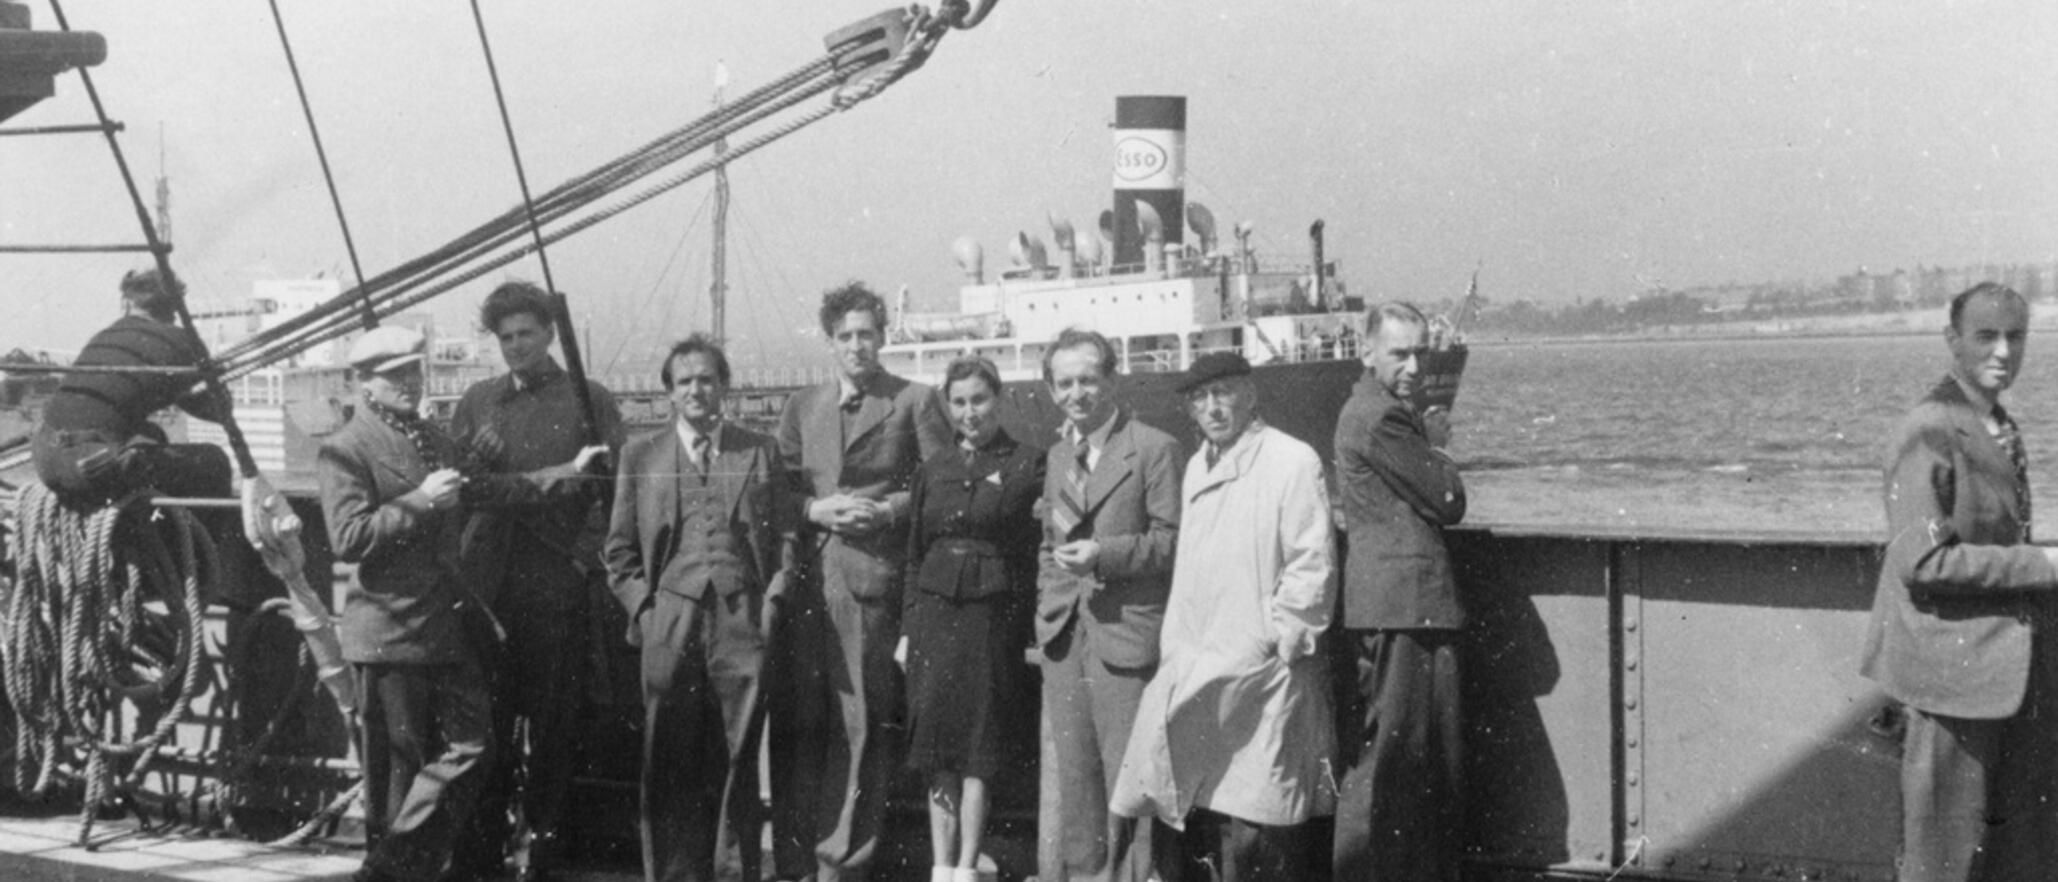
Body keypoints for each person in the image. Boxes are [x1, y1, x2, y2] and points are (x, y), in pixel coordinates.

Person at [318, 325, 603, 882]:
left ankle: (388, 867)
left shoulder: (429, 438)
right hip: (391, 631)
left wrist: (569, 472)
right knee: (397, 777)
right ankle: (398, 866)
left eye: (413, 371)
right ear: (364, 384)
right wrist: (420, 502)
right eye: (394, 374)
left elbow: (491, 488)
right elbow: (347, 538)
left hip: (445, 628)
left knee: (475, 747)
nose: (409, 382)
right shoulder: (346, 448)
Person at [1111, 352, 1337, 882]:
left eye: (1224, 393)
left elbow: (1312, 560)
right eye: (1200, 398)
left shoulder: (1292, 459)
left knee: (1258, 818)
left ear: (1250, 394)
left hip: (1259, 668)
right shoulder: (1196, 466)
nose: (1213, 408)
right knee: (1193, 805)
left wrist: (1283, 639)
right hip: (1197, 659)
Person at [1861, 282, 2058, 881]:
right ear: (1953, 341)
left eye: (2016, 336)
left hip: (1998, 675)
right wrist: (2043, 564)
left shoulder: (1995, 424)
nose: (2003, 351)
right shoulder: (1929, 429)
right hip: (1951, 682)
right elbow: (1921, 562)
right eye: (1986, 336)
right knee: (1941, 863)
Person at [770, 282, 952, 882]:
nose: (857, 346)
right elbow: (776, 491)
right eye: (845, 336)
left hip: (872, 584)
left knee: (862, 723)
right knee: (802, 721)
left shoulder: (915, 401)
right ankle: (796, 857)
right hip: (806, 586)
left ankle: (845, 863)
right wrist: (814, 511)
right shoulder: (802, 406)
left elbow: (943, 485)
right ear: (829, 342)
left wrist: (890, 511)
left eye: (866, 334)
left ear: (883, 336)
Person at [449, 282, 624, 882]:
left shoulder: (589, 398)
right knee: (488, 730)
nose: (517, 345)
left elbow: (612, 495)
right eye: (506, 337)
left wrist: (582, 561)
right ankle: (482, 851)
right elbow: (459, 488)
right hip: (488, 590)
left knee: (553, 733)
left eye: (527, 333)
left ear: (550, 333)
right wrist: (486, 465)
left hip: (556, 588)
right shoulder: (477, 402)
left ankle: (539, 853)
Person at [604, 335, 796, 882]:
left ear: (725, 386)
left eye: (707, 378)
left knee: (739, 753)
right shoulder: (640, 455)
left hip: (742, 620)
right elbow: (617, 550)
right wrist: (645, 610)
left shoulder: (757, 448)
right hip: (670, 619)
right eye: (684, 380)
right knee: (668, 756)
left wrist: (774, 599)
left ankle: (735, 872)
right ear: (668, 392)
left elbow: (786, 534)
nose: (696, 389)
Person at [1034, 328, 1181, 882]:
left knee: (1133, 782)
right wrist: (1048, 607)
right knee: (1077, 784)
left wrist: (1104, 555)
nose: (1078, 393)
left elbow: (1172, 541)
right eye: (1065, 383)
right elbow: (1048, 545)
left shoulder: (1153, 448)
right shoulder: (1057, 457)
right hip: (1066, 637)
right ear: (1052, 390)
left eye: (1089, 380)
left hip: (1125, 636)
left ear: (1113, 380)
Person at [1331, 301, 1468, 882]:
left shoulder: (1369, 409)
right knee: (1395, 762)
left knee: (1398, 759)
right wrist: (1436, 443)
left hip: (1396, 605)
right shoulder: (1383, 417)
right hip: (1406, 607)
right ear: (1367, 353)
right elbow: (1448, 501)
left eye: (1420, 352)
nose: (1414, 366)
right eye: (1399, 353)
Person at [897, 356, 1046, 882]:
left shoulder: (1029, 462)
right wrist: (908, 628)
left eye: (978, 400)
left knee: (982, 746)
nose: (969, 412)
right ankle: (942, 865)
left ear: (998, 399)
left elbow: (1032, 554)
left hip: (991, 619)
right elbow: (915, 553)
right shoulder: (932, 470)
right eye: (958, 403)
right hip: (935, 620)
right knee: (938, 745)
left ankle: (966, 866)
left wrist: (1026, 623)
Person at [32, 268, 233, 507]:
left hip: (45, 459)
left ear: (129, 303)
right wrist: (211, 378)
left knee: (152, 434)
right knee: (214, 461)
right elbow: (218, 411)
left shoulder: (106, 334)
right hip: (96, 466)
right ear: (176, 306)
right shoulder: (179, 340)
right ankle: (194, 542)